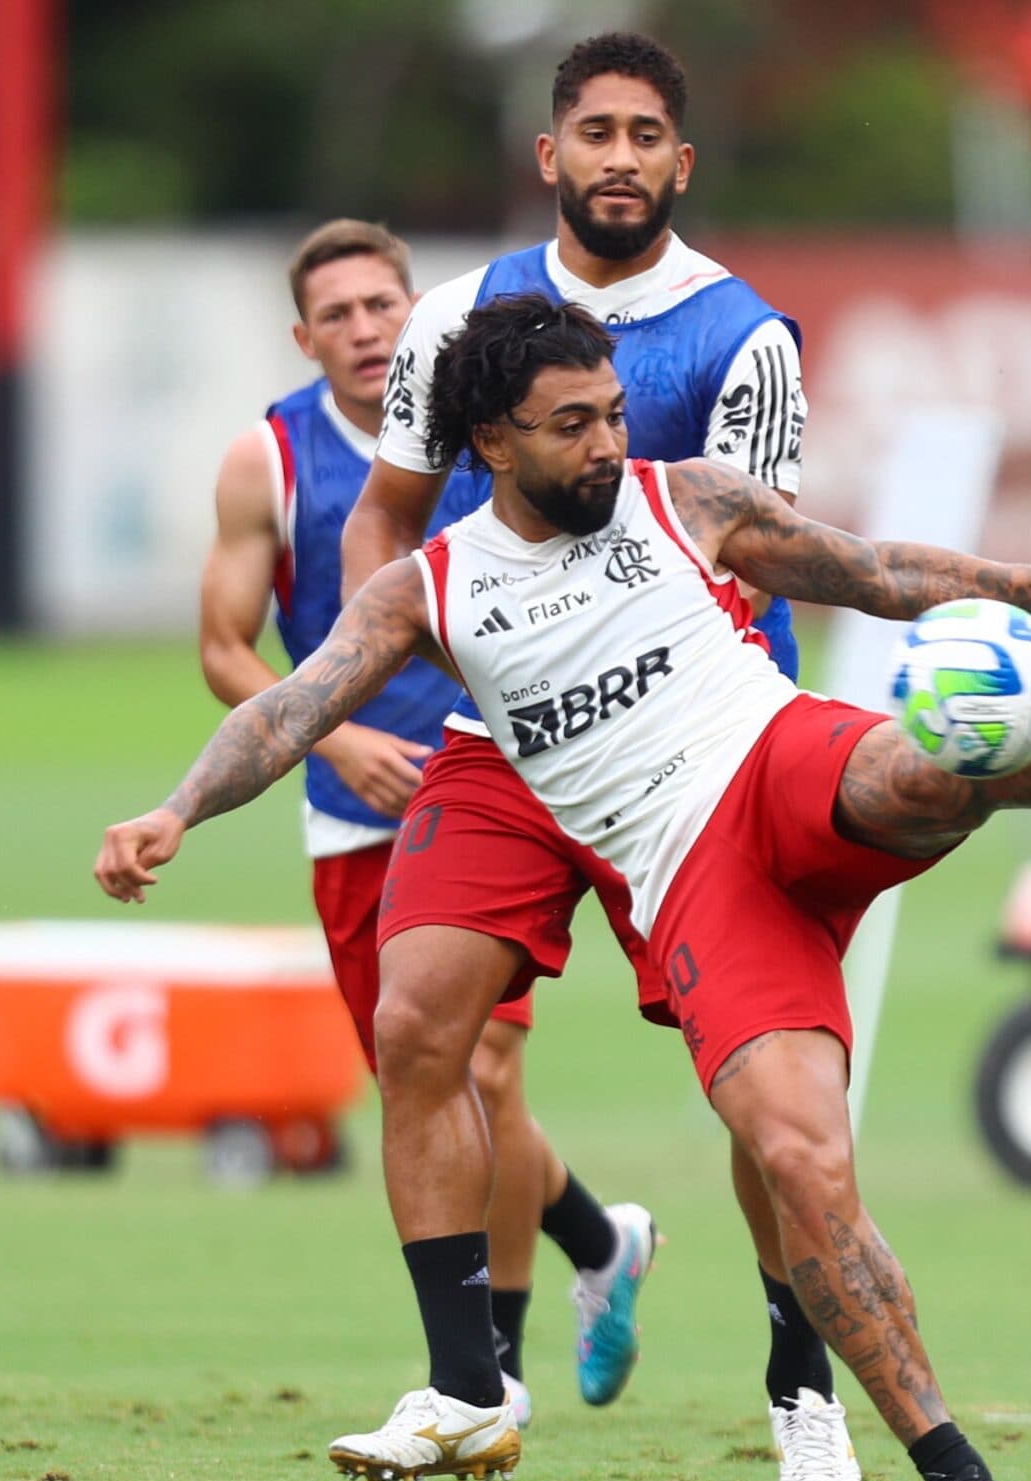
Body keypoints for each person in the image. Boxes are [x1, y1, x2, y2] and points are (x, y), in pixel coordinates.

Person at [92, 297, 1031, 1481]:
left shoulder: (685, 498)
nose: (605, 444)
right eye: (570, 425)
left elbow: (881, 573)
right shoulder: (432, 589)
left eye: (613, 415)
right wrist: (174, 810)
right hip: (689, 872)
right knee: (800, 1157)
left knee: (917, 770)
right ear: (492, 441)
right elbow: (287, 711)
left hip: (773, 752)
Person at [338, 32, 861, 1481]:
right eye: (595, 131)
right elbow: (385, 522)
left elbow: (762, 558)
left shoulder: (744, 337)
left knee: (767, 1097)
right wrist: (413, 681)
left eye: (644, 135)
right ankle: (467, 1386)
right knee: (423, 1030)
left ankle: (803, 1390)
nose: (618, 157)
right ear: (548, 153)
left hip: (697, 751)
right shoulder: (458, 319)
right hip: (510, 743)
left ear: (680, 163)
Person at [199, 219, 653, 1420]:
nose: (364, 329)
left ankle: (492, 1369)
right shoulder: (268, 460)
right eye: (335, 314)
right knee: (431, 1083)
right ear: (304, 337)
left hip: (497, 791)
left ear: (416, 312)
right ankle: (599, 1240)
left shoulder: (494, 432)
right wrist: (339, 739)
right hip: (352, 812)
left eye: (380, 305)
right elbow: (224, 649)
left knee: (485, 1063)